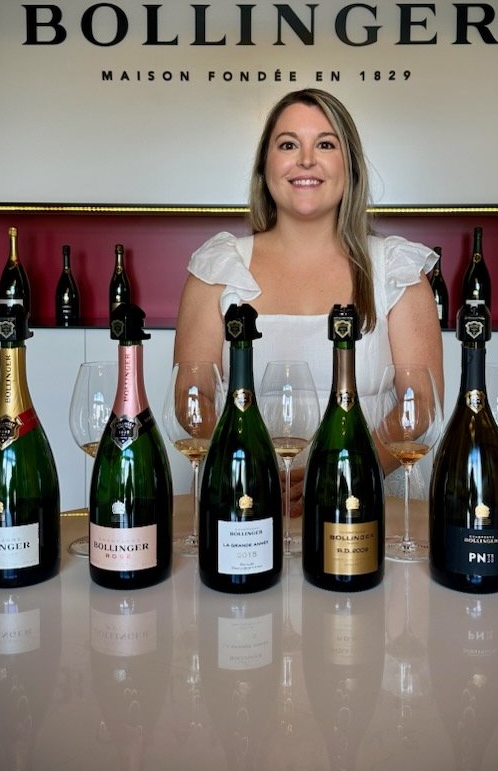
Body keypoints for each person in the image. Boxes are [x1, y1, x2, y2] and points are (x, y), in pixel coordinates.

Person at [173, 88, 444, 513]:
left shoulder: (397, 269)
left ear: (349, 166)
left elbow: (422, 405)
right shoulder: (217, 267)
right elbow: (193, 397)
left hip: (366, 504)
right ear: (265, 166)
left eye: (325, 144)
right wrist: (250, 471)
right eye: (287, 145)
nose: (305, 160)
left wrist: (338, 474)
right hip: (243, 501)